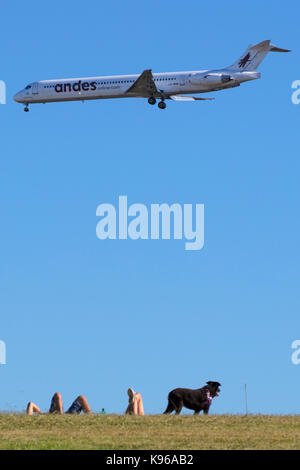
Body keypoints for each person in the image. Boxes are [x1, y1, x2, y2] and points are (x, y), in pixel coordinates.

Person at [26, 392, 92, 415]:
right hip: (54, 415)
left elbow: (31, 405)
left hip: (67, 415)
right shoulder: (43, 416)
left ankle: (90, 419)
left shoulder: (43, 415)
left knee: (82, 398)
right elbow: (30, 404)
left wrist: (39, 412)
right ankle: (60, 416)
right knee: (58, 394)